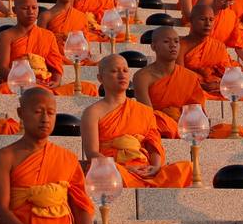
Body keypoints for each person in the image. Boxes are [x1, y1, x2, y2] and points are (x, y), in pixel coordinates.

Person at [0, 87, 143, 224]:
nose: (45, 119)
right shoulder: (4, 157)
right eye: (38, 112)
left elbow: (80, 205)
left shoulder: (67, 158)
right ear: (21, 113)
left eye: (51, 113)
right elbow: (0, 212)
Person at [81, 54, 193, 187]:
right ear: (100, 78)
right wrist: (124, 169)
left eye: (125, 70)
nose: (121, 75)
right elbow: (92, 153)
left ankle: (148, 181)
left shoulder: (144, 110)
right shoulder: (92, 112)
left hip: (144, 169)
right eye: (114, 71)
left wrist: (155, 167)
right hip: (115, 169)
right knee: (108, 176)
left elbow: (153, 144)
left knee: (187, 168)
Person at [133, 26, 206, 139]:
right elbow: (147, 115)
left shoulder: (190, 77)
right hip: (157, 126)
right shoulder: (142, 77)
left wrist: (176, 115)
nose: (173, 45)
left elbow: (197, 113)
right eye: (166, 41)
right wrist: (167, 117)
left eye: (176, 41)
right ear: (153, 46)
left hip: (183, 126)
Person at [0, 0, 71, 94]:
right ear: (14, 10)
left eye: (34, 8)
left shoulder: (48, 36)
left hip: (44, 84)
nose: (31, 12)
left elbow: (55, 67)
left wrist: (56, 81)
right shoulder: (5, 36)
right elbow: (2, 69)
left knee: (88, 87)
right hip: (17, 83)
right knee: (3, 89)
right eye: (25, 8)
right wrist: (27, 80)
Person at [38, 0, 102, 47]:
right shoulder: (45, 17)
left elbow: (84, 46)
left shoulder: (81, 17)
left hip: (76, 56)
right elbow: (40, 46)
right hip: (53, 57)